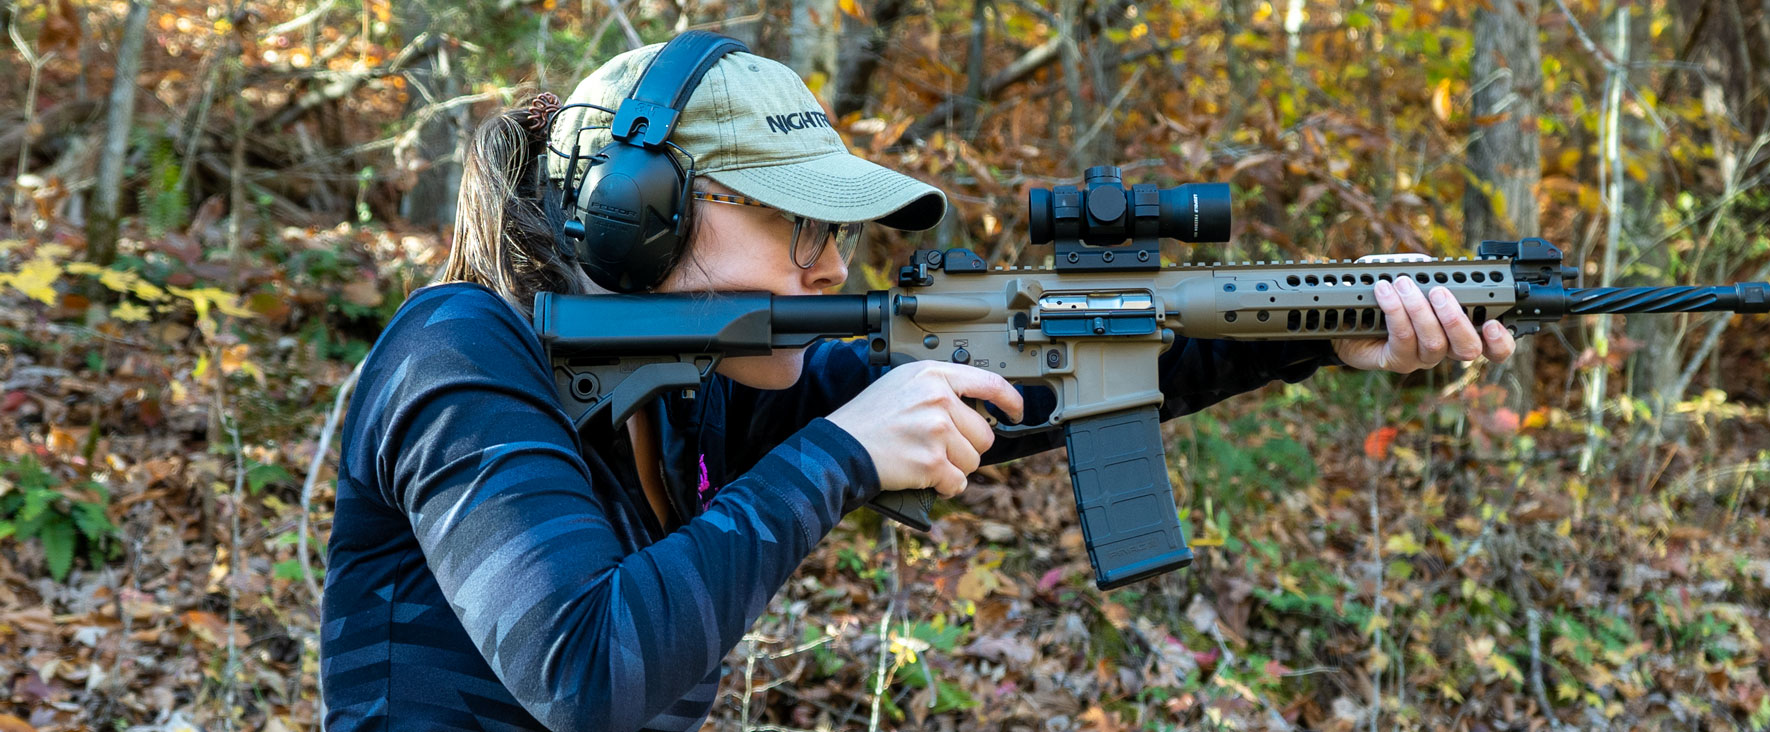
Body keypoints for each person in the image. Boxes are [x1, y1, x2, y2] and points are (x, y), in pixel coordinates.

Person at [317, 36, 1517, 732]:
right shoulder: (460, 351)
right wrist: (836, 454)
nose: (833, 261)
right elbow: (585, 665)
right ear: (640, 222)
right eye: (797, 224)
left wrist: (1314, 328)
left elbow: (1030, 372)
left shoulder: (700, 384)